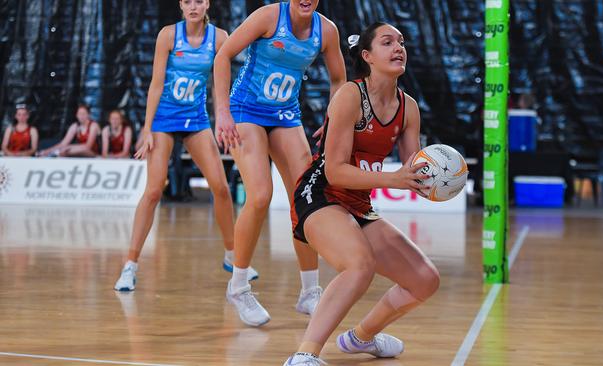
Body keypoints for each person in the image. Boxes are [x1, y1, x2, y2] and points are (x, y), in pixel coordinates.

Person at [284, 23, 440, 365]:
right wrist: (394, 179)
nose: (398, 47)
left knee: (425, 280)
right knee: (359, 265)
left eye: (401, 42)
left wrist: (440, 178)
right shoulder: (351, 95)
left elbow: (413, 168)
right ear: (367, 56)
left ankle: (360, 338)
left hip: (357, 202)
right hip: (320, 194)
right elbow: (334, 170)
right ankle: (303, 355)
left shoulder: (408, 107)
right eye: (387, 42)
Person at [213, 0, 346, 327]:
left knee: (307, 201)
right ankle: (239, 286)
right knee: (259, 195)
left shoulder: (326, 30)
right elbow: (222, 56)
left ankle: (309, 293)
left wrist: (334, 119)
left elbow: (339, 80)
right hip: (246, 110)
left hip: (285, 115)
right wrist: (222, 112)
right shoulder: (269, 16)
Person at [113, 0, 257, 292]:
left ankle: (231, 256)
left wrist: (222, 119)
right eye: (188, 1)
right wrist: (147, 128)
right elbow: (155, 83)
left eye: (199, 1)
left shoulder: (219, 38)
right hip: (164, 119)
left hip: (196, 119)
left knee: (220, 187)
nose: (194, 7)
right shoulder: (168, 35)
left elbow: (220, 82)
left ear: (207, 5)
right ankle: (130, 265)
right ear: (181, 5)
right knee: (154, 191)